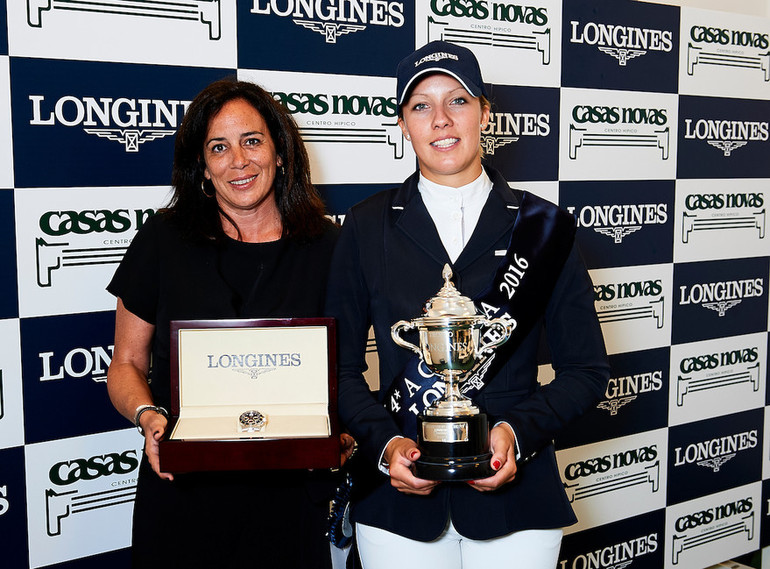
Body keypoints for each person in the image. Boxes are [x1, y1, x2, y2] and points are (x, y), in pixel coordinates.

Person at [325, 41, 610, 569]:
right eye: (420, 106)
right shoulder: (365, 226)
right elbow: (336, 370)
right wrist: (386, 447)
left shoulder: (544, 228)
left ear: (485, 111)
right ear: (403, 124)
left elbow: (586, 371)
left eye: (457, 100)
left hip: (517, 505)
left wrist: (515, 434)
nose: (440, 119)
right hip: (396, 507)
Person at [106, 78, 344, 568]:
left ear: (280, 154)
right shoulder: (163, 238)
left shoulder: (328, 246)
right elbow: (125, 363)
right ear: (202, 166)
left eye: (252, 141)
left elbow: (349, 373)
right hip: (183, 491)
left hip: (289, 496)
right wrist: (150, 420)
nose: (239, 161)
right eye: (219, 147)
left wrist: (347, 430)